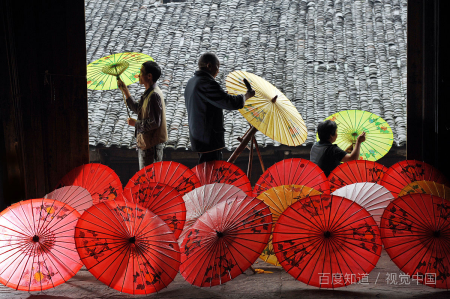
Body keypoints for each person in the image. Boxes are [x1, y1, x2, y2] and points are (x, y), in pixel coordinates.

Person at [184, 53, 255, 164]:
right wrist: (247, 96)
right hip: (209, 140)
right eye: (218, 66)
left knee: (206, 171)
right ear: (209, 66)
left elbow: (207, 103)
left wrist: (221, 95)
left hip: (198, 138)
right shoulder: (207, 83)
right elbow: (230, 103)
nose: (218, 70)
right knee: (212, 174)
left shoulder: (191, 82)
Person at [117, 61, 167, 170]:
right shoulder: (149, 93)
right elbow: (138, 108)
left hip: (151, 148)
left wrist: (135, 123)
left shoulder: (154, 95)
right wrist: (125, 90)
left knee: (148, 182)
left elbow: (154, 123)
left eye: (141, 72)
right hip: (147, 145)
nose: (139, 75)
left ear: (149, 76)